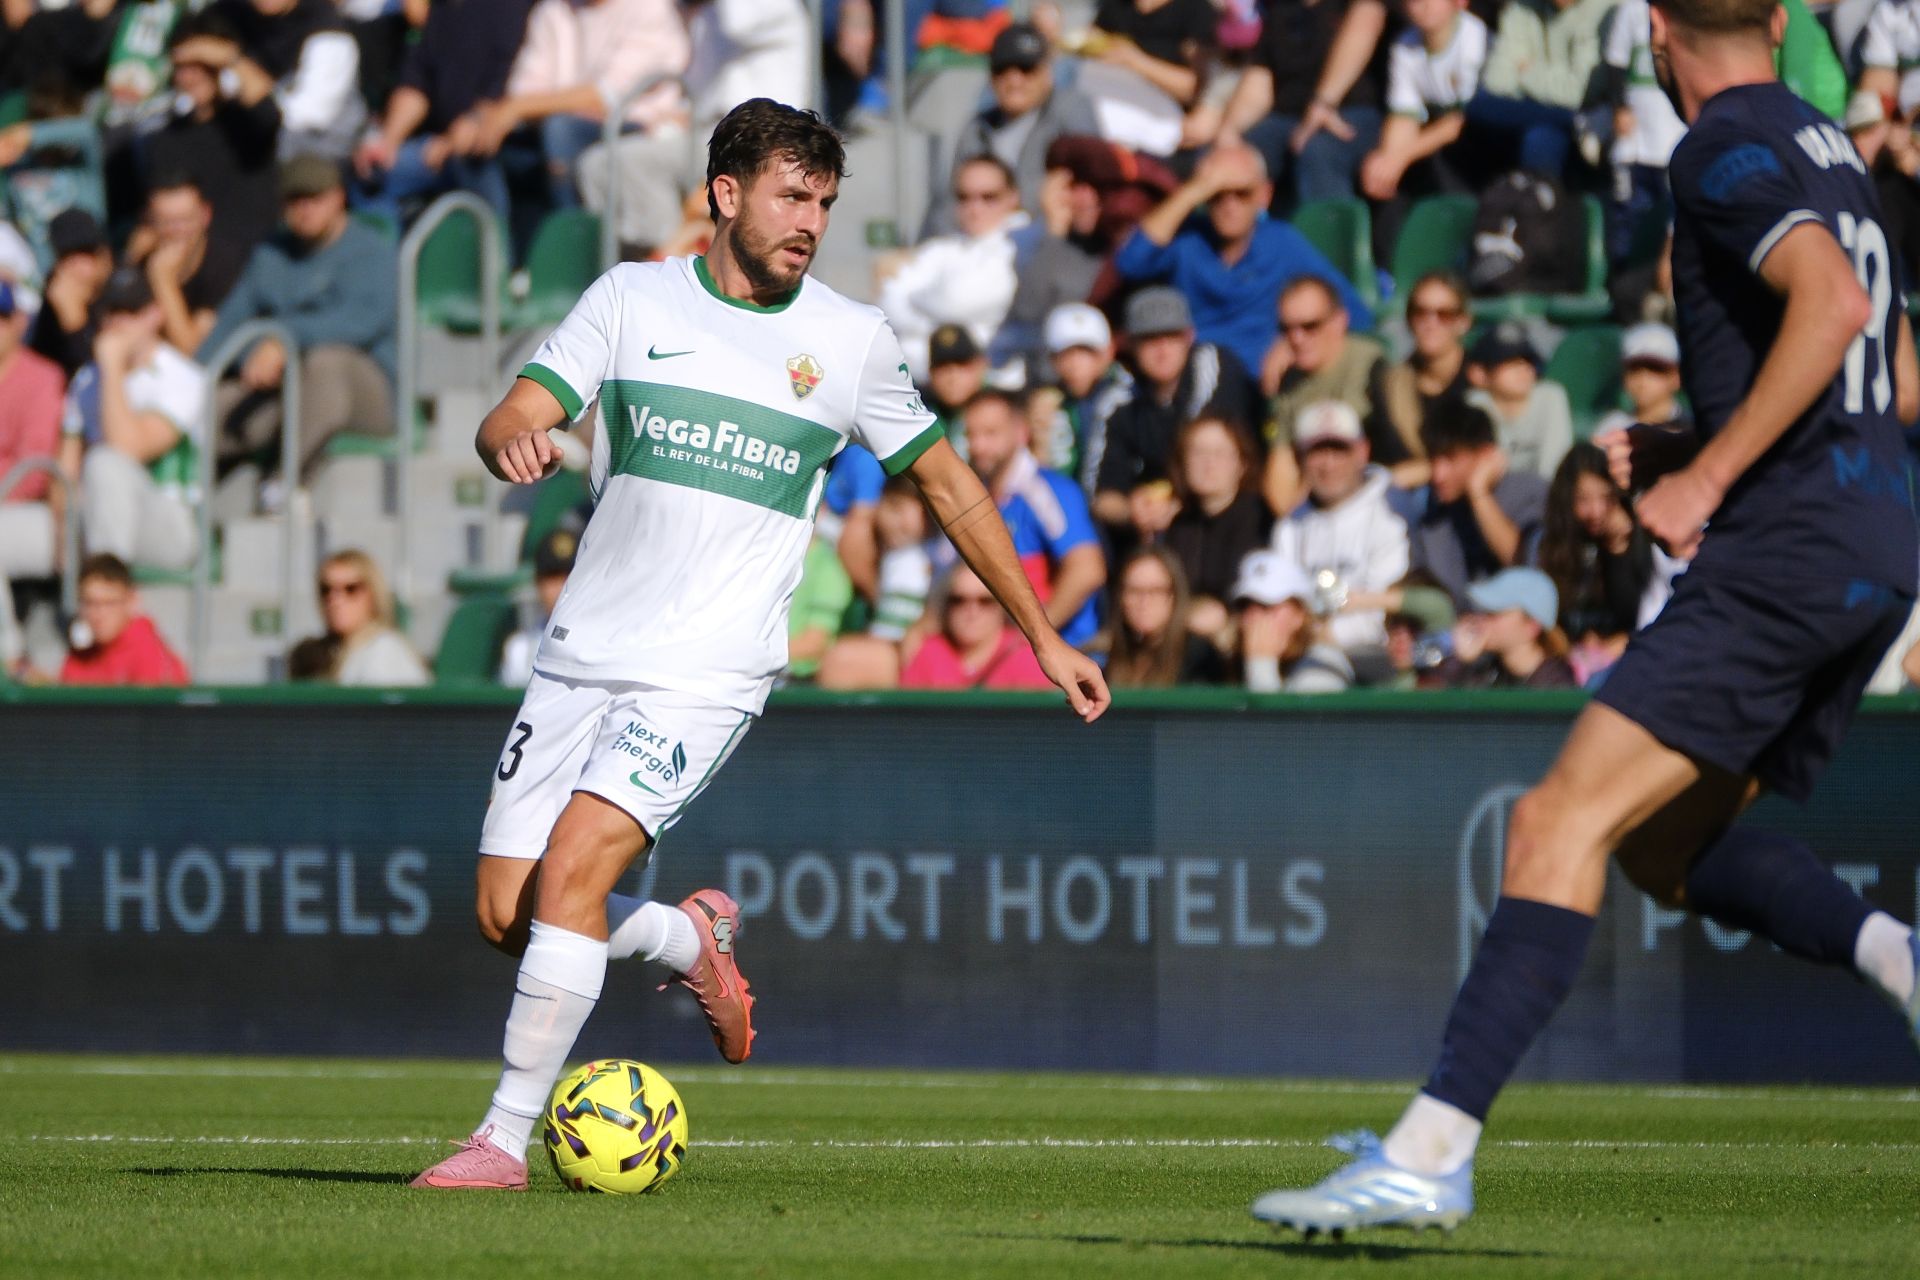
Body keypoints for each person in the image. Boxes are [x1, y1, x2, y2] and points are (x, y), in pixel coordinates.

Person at [1254, 0, 1920, 1232]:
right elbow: (1899, 369)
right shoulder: (1831, 146)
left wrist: (1707, 478)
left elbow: (1826, 309)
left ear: (1659, 32)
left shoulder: (1720, 143)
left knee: (1556, 818)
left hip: (1785, 550)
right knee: (1668, 846)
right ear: (1776, 22)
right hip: (1879, 545)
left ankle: (1431, 1150)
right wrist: (1703, 431)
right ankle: (1891, 951)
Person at [411, 99, 1109, 1191]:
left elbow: (948, 485)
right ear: (724, 194)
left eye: (824, 202)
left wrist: (1042, 634)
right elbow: (509, 413)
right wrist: (521, 440)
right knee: (512, 911)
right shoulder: (630, 298)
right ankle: (692, 943)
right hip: (582, 649)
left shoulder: (848, 338)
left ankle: (500, 1139)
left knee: (576, 875)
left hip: (710, 665)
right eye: (791, 194)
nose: (810, 221)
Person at [202, 155, 398, 489]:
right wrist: (196, 376)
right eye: (295, 200)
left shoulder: (370, 251)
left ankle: (284, 483)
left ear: (338, 197)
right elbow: (229, 325)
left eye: (315, 198)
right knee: (211, 403)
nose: (305, 209)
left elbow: (361, 323)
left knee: (327, 363)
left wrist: (283, 340)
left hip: (369, 394)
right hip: (287, 390)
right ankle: (181, 492)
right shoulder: (271, 254)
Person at [1112, 142, 1374, 379]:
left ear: (1264, 195)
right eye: (1217, 195)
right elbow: (1130, 262)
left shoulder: (1283, 244)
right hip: (1196, 377)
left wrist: (1290, 346)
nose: (1230, 205)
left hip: (1260, 381)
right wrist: (1193, 191)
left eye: (1242, 193)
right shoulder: (1187, 240)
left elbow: (1353, 314)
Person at [62, 269, 210, 571]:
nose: (118, 322)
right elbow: (65, 469)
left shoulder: (183, 377)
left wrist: (112, 365)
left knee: (105, 462)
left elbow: (127, 448)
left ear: (155, 314)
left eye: (130, 311)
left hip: (171, 524)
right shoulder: (86, 378)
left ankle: (105, 591)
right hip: (94, 515)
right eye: (111, 311)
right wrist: (60, 531)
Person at [350, 0, 539, 229]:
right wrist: (388, 140)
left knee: (470, 153)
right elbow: (416, 83)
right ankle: (385, 258)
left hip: (507, 139)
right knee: (370, 173)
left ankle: (493, 256)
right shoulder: (443, 10)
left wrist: (452, 140)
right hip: (439, 142)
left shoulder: (511, 9)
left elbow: (510, 85)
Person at [1093, 285, 1257, 529]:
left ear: (1189, 336)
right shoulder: (1118, 399)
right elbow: (1102, 494)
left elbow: (1206, 449)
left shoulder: (1213, 368)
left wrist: (1170, 501)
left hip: (1235, 517)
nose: (1162, 349)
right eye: (1149, 338)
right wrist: (1133, 511)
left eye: (1171, 336)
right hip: (1159, 529)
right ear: (1129, 343)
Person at [959, 388, 1108, 649]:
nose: (977, 446)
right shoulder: (973, 496)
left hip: (1060, 653)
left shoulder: (1045, 491)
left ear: (1021, 433)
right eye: (971, 435)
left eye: (990, 434)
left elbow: (1087, 569)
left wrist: (1034, 638)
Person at [1214, 0, 1391, 210]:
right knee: (1226, 157)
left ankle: (1327, 236)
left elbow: (1364, 29)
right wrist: (1229, 131)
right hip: (1288, 118)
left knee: (1319, 151)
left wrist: (1323, 104)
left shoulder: (1356, 6)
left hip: (1351, 114)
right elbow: (1260, 79)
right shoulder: (1280, 10)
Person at [1270, 400, 1410, 663]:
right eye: (1317, 452)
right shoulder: (1289, 526)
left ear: (1362, 452)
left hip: (1373, 656)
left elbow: (1380, 614)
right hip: (1302, 652)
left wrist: (1313, 637)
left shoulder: (1392, 513)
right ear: (1300, 458)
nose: (1328, 464)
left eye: (1339, 450)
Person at [925, 22, 1098, 235]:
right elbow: (949, 204)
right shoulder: (977, 128)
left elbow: (1090, 186)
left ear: (1047, 72)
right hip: (982, 246)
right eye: (1002, 70)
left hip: (1050, 242)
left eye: (1026, 69)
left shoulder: (1069, 111)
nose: (1014, 80)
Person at [1534, 440, 1680, 681]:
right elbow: (1545, 618)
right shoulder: (1553, 547)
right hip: (1567, 663)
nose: (1595, 511)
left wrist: (1619, 543)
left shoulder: (1641, 542)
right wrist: (1571, 651)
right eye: (1583, 499)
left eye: (1605, 497)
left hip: (1630, 658)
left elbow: (1643, 611)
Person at [147, 8, 284, 260]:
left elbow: (268, 111)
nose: (190, 76)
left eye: (202, 65)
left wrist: (227, 56)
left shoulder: (247, 123)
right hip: (193, 262)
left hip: (253, 257)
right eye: (182, 67)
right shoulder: (166, 137)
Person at [1358, 0, 1489, 263]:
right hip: (1436, 136)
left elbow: (1460, 121)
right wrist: (1387, 162)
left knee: (1440, 162)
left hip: (1483, 143)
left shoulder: (1475, 37)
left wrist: (1400, 157)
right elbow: (1403, 117)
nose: (1423, 4)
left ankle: (1463, 258)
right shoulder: (1405, 45)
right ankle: (1389, 268)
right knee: (1385, 176)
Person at [878, 155, 1027, 382]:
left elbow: (956, 299)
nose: (975, 208)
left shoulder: (1021, 242)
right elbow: (888, 305)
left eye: (989, 197)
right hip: (927, 385)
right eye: (964, 197)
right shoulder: (940, 249)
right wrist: (940, 321)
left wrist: (916, 306)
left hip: (996, 386)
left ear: (1012, 197)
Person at [1261, 276, 1400, 512]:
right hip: (1315, 505)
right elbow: (1280, 470)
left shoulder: (1373, 369)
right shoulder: (1289, 382)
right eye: (1286, 329)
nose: (1296, 338)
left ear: (1340, 321)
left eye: (1309, 326)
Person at [1409, 396, 1548, 610]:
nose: (1438, 474)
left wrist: (1479, 494)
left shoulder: (1530, 492)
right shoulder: (1433, 518)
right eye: (1433, 459)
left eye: (1450, 458)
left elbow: (1526, 569)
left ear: (1485, 454)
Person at [1465, 0, 1614, 178]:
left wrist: (1526, 71)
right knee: (1479, 105)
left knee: (1542, 137)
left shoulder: (1606, 8)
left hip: (1595, 126)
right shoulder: (1521, 6)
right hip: (1558, 116)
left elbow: (1579, 91)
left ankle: (1536, 198)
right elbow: (1496, 80)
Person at [206, 0, 366, 159]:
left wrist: (237, 64)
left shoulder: (328, 31)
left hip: (316, 155)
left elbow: (305, 118)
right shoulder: (228, 16)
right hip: (245, 149)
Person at [1162, 413, 1270, 637]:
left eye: (1219, 453)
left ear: (1242, 464)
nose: (1208, 463)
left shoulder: (1258, 518)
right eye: (1198, 453)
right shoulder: (1180, 524)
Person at [0, 280, 68, 635]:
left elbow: (34, 473)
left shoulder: (43, 377)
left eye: (1, 317)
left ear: (18, 322)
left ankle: (7, 661)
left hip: (32, 513)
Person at [129, 174, 249, 355]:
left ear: (205, 215)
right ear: (150, 220)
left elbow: (193, 351)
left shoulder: (226, 265)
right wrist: (128, 259)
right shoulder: (140, 259)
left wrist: (163, 280)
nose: (177, 231)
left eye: (185, 220)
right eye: (166, 222)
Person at [1370, 269, 1472, 484]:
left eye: (1444, 314)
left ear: (1463, 322)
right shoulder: (1390, 384)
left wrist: (1423, 470)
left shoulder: (1478, 379)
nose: (1430, 323)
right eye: (1420, 312)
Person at [898, 564, 1058, 690]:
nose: (972, 611)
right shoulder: (928, 652)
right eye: (958, 600)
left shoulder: (1027, 659)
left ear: (1002, 606)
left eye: (984, 601)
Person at [1428, 565, 1579, 688]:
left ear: (1532, 626)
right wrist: (1458, 660)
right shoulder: (1488, 675)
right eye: (1484, 611)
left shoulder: (1557, 685)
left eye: (1494, 613)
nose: (1481, 620)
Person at [1038, 302, 1133, 492]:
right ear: (1052, 360)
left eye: (1086, 352)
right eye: (1065, 354)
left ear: (1108, 352)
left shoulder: (1128, 398)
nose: (1075, 364)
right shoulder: (1053, 404)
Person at [1230, 548, 1354, 691]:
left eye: (1267, 607)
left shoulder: (1321, 667)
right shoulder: (1232, 659)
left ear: (1299, 614)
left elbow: (1281, 713)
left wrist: (1261, 663)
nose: (1254, 616)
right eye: (1245, 606)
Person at [1100, 544, 1226, 685]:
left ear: (1173, 596)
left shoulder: (1199, 657)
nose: (1144, 601)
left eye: (1155, 591)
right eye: (1133, 591)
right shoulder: (1109, 657)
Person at [301, 549, 430, 686]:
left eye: (350, 589)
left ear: (373, 593)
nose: (335, 599)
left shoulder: (383, 651)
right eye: (326, 589)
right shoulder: (331, 654)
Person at [1464, 321, 1574, 480]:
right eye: (1509, 362)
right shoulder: (1476, 405)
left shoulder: (1550, 396)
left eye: (1528, 361)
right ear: (1479, 374)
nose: (1524, 369)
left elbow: (1553, 470)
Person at [59, 554, 189, 686]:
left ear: (131, 601)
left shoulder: (147, 650)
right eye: (90, 603)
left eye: (109, 603)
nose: (98, 614)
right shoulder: (81, 654)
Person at [29, 209, 111, 380]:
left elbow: (99, 377)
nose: (79, 267)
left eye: (87, 254)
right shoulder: (56, 295)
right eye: (68, 257)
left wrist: (75, 323)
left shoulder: (122, 293)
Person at [499, 527, 578, 687]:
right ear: (537, 582)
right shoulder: (519, 649)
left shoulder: (607, 639)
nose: (561, 587)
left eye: (569, 576)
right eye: (552, 577)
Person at [1592, 321, 1687, 437]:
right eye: (1634, 369)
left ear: (1675, 377)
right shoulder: (1613, 426)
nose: (1643, 380)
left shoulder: (1691, 429)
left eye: (1655, 369)